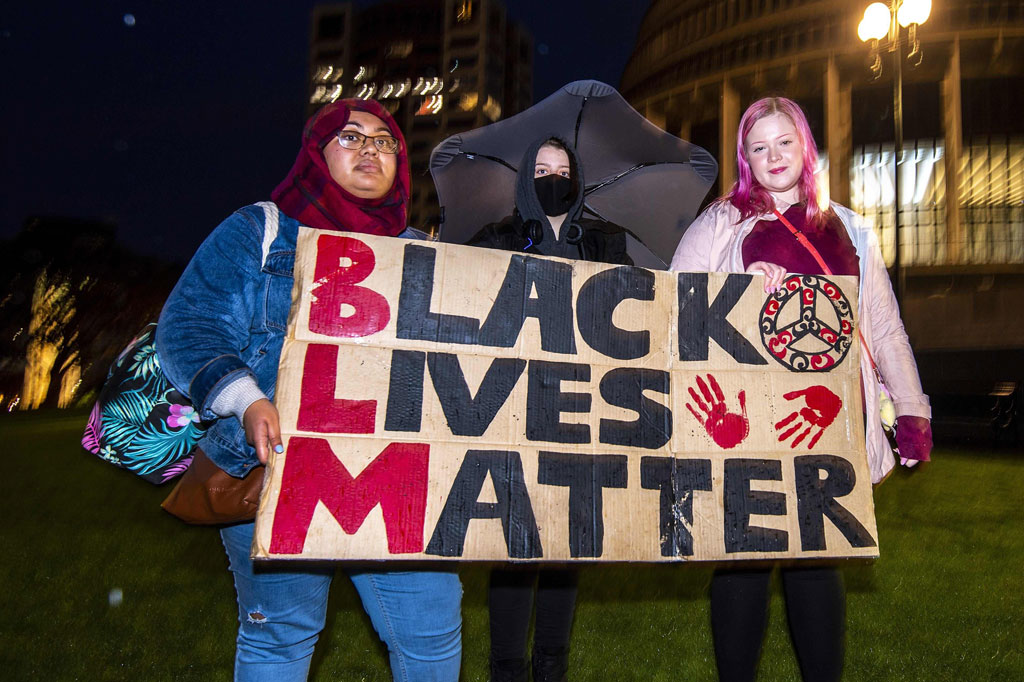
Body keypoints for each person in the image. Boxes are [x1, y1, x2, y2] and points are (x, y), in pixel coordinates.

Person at [156, 99, 462, 682]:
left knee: (431, 630)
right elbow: (188, 327)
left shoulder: (425, 252)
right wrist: (245, 398)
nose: (371, 149)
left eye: (385, 141)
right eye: (351, 137)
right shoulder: (258, 231)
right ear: (315, 155)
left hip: (397, 476)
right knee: (281, 636)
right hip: (277, 471)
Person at [670, 96, 932, 682]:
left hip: (826, 419)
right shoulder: (718, 223)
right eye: (758, 147)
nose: (773, 156)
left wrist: (912, 409)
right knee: (744, 561)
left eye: (783, 141)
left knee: (817, 562)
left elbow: (883, 327)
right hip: (745, 422)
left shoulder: (851, 228)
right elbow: (677, 304)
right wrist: (738, 287)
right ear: (745, 159)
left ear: (805, 145)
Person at [468, 136, 632, 682]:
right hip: (512, 406)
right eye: (541, 169)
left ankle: (552, 666)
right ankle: (507, 668)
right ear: (524, 179)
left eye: (564, 170)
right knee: (516, 542)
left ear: (579, 178)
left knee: (566, 539)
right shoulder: (496, 238)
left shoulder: (607, 242)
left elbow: (633, 312)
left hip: (582, 411)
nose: (554, 179)